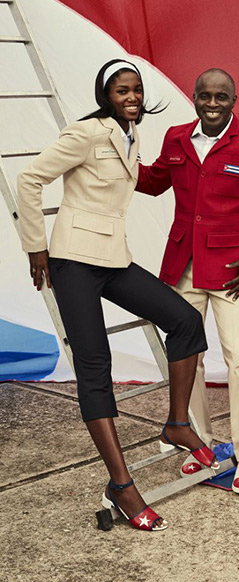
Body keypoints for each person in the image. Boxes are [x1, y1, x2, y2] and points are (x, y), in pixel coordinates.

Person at [16, 59, 215, 532]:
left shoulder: (131, 135)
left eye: (136, 90)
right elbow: (29, 179)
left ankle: (177, 423)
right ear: (105, 95)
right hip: (73, 262)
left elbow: (143, 182)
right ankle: (122, 486)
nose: (132, 97)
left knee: (185, 320)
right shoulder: (86, 133)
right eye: (122, 90)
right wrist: (36, 247)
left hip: (112, 258)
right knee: (95, 367)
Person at [135, 68, 239, 494]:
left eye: (221, 97)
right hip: (183, 266)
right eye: (205, 96)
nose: (212, 104)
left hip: (233, 272)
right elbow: (153, 182)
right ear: (196, 97)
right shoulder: (177, 138)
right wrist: (117, 153)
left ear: (233, 100)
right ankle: (197, 444)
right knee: (188, 359)